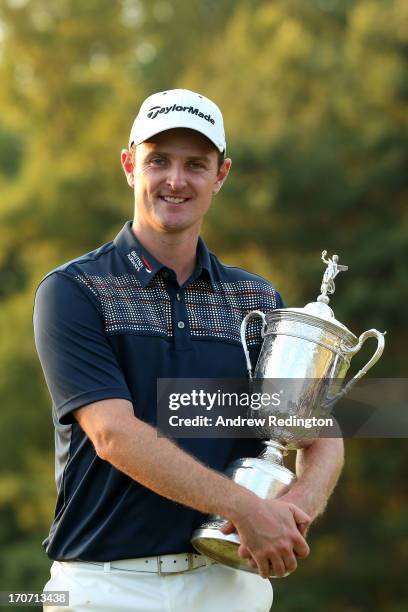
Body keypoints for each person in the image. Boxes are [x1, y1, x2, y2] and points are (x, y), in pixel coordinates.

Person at [33, 89, 344, 612]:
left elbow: (323, 431)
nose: (176, 181)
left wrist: (292, 512)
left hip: (228, 585)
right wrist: (248, 508)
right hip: (105, 586)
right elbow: (113, 434)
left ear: (220, 176)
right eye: (159, 161)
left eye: (195, 165)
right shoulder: (74, 290)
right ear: (131, 165)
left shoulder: (258, 300)